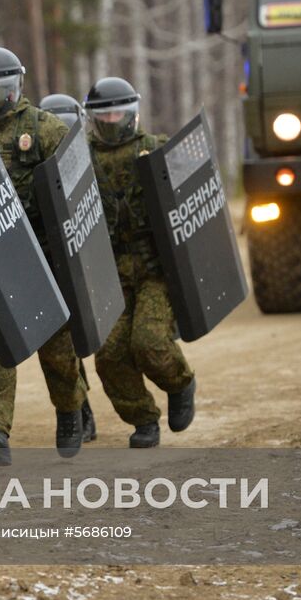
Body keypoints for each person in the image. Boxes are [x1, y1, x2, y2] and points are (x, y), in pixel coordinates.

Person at [0, 47, 88, 461]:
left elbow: (77, 185)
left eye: (1, 88)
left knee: (57, 352)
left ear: (17, 86)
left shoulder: (45, 128)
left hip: (45, 261)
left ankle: (70, 410)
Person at [84, 76, 196, 449]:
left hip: (155, 271)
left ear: (132, 112)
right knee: (110, 354)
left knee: (148, 341)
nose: (113, 119)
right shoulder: (80, 160)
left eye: (119, 111)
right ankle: (144, 419)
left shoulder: (156, 149)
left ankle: (180, 383)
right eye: (105, 113)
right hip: (111, 274)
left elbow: (190, 194)